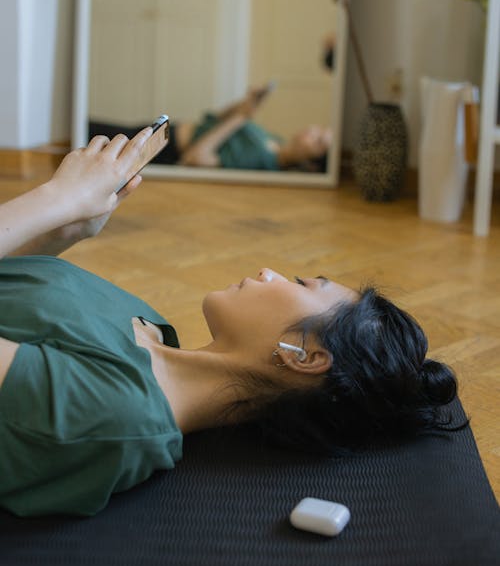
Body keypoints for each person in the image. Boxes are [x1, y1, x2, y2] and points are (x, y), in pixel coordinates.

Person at [0, 129, 464, 517]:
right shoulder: (154, 329)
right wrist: (59, 234)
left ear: (305, 355)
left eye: (303, 284)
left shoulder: (117, 412)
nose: (270, 273)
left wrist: (55, 200)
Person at [88, 84, 333, 172]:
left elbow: (196, 157)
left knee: (92, 137)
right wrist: (246, 106)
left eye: (318, 141)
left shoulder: (263, 161)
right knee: (93, 132)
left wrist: (241, 119)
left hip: (167, 147)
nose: (312, 131)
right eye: (319, 130)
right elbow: (217, 121)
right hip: (168, 130)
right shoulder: (274, 140)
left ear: (310, 164)